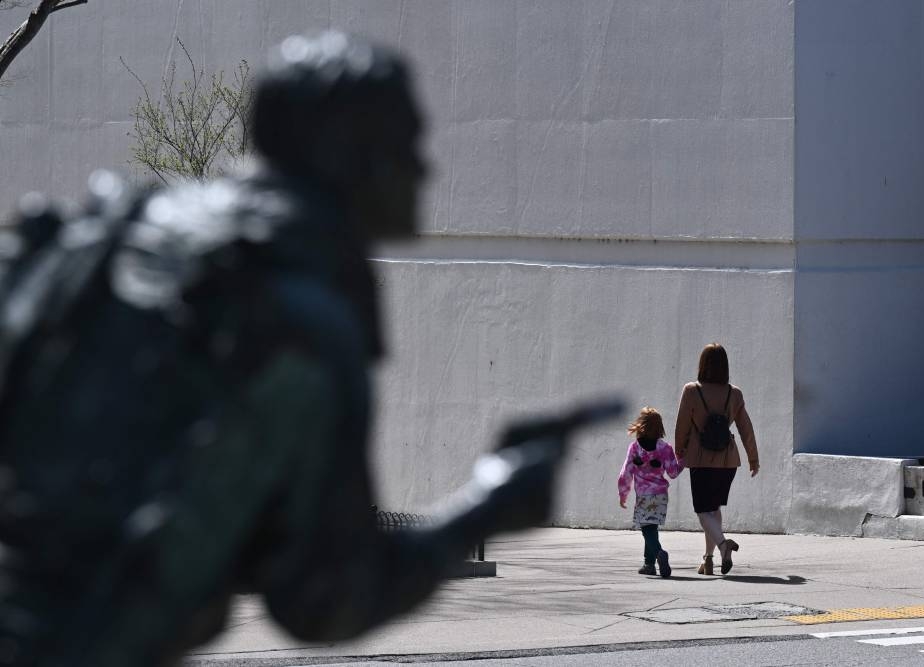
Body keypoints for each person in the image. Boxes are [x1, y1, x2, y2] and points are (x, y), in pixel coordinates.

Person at [0, 31, 620, 666]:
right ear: (346, 152)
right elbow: (325, 599)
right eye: (405, 142)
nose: (422, 168)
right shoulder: (303, 319)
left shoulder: (123, 228)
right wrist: (488, 507)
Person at [673, 343, 759, 576]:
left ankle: (723, 545)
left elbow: (681, 425)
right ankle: (708, 560)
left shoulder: (692, 391)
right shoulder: (734, 393)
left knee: (703, 511)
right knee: (714, 508)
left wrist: (679, 450)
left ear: (702, 364)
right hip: (727, 461)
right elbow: (746, 429)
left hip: (700, 459)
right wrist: (753, 458)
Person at [617, 407, 684, 578]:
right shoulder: (665, 448)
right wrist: (682, 460)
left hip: (644, 496)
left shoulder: (634, 448)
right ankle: (649, 564)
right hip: (661, 495)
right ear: (660, 426)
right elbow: (673, 473)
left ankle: (659, 552)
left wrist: (623, 494)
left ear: (641, 425)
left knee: (646, 529)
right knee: (652, 526)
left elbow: (625, 473)